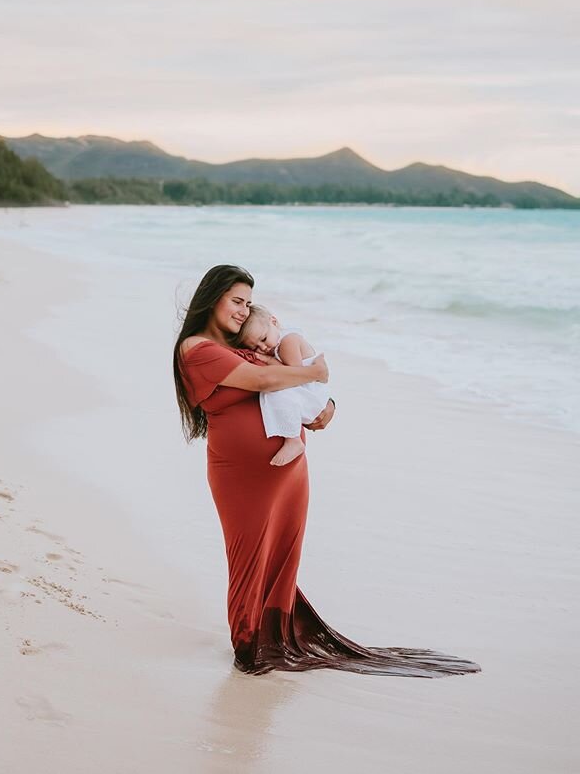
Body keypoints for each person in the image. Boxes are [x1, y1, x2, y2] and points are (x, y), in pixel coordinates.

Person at [173, 263, 480, 677]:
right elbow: (265, 382)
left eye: (248, 303)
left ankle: (274, 636)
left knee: (282, 558)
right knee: (248, 559)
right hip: (243, 478)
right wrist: (315, 373)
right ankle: (248, 646)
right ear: (213, 298)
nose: (244, 311)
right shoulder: (197, 348)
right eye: (236, 301)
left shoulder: (244, 343)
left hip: (290, 472)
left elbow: (285, 375)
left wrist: (327, 404)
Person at [235, 304, 330, 466]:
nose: (263, 348)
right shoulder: (278, 342)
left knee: (276, 390)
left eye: (264, 339)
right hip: (307, 390)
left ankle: (293, 440)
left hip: (311, 393)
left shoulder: (288, 341)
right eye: (256, 347)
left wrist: (268, 361)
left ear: (274, 321)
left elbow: (294, 375)